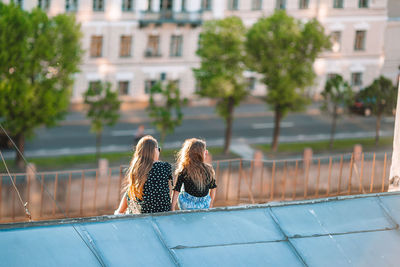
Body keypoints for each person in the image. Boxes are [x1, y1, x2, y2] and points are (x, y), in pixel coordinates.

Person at [115, 135, 173, 214]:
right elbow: (170, 190)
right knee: (132, 189)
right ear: (153, 150)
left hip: (142, 213)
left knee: (132, 188)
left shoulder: (136, 169)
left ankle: (119, 211)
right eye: (158, 149)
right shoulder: (165, 167)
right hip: (163, 211)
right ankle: (120, 211)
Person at [171, 138, 217, 211]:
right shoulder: (209, 169)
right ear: (201, 154)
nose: (207, 152)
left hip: (187, 205)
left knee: (182, 189)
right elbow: (213, 188)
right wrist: (210, 205)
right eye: (205, 150)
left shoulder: (184, 169)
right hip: (204, 205)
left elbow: (176, 190)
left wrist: (172, 207)